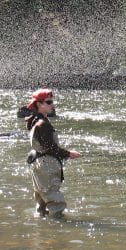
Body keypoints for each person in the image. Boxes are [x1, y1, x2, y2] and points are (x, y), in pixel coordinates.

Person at [19, 89, 81, 217]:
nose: (52, 105)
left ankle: (42, 226)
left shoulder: (34, 120)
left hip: (38, 164)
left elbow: (45, 146)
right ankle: (58, 226)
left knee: (42, 201)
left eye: (52, 102)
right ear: (39, 104)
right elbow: (50, 148)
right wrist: (69, 154)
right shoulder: (42, 124)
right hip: (46, 165)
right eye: (48, 102)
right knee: (55, 201)